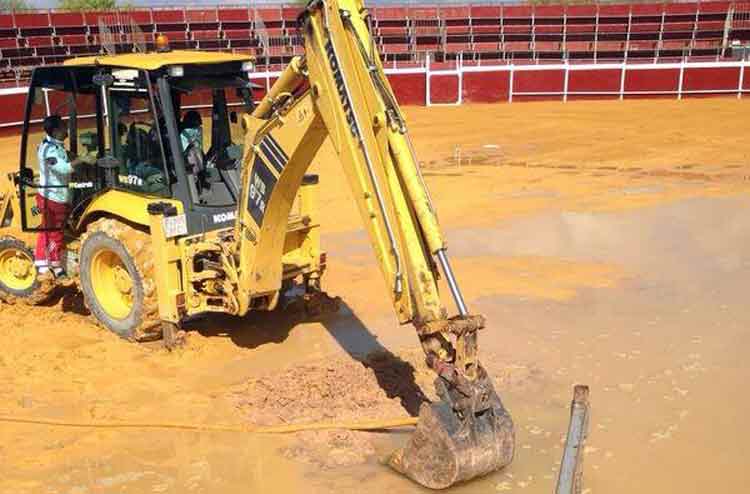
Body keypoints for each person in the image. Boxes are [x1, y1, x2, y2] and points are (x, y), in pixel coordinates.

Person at [35, 115, 86, 277]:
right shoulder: (48, 150)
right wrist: (83, 159)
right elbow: (63, 169)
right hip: (54, 197)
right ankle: (54, 267)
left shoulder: (53, 146)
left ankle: (43, 262)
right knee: (55, 233)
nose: (67, 130)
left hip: (55, 195)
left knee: (48, 230)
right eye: (64, 127)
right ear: (56, 130)